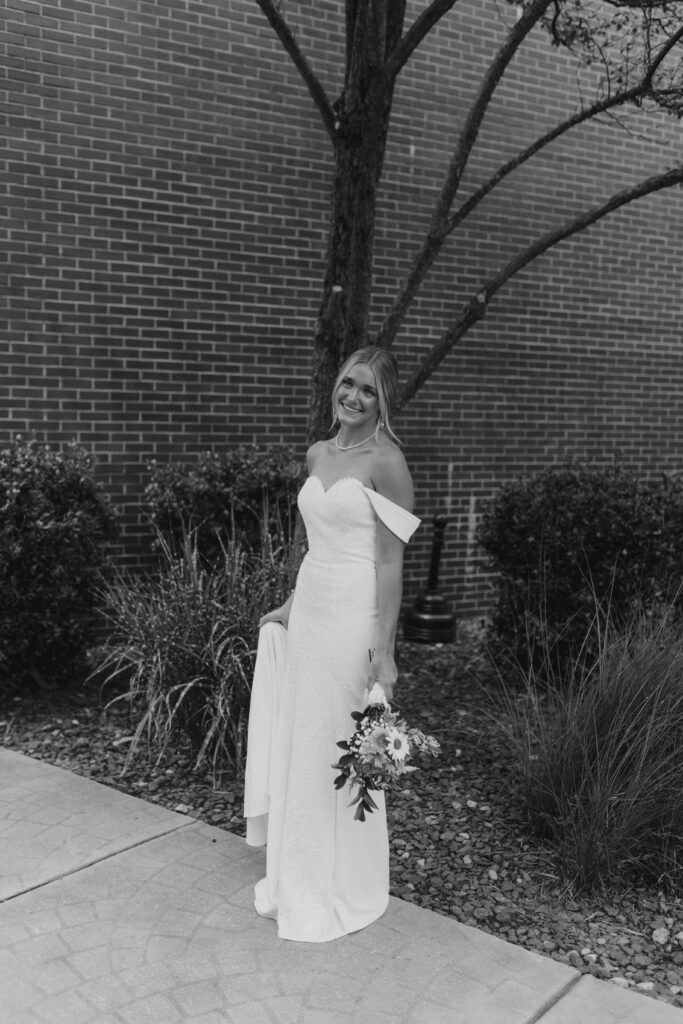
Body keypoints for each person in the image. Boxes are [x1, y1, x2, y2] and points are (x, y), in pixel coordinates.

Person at [243, 346, 421, 942]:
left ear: (383, 400)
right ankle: (296, 874)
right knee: (303, 737)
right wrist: (290, 606)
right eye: (348, 383)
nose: (353, 396)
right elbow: (315, 543)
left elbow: (390, 563)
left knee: (335, 742)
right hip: (313, 611)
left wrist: (385, 651)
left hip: (353, 615)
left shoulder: (388, 461)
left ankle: (341, 883)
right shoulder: (318, 453)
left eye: (368, 390)